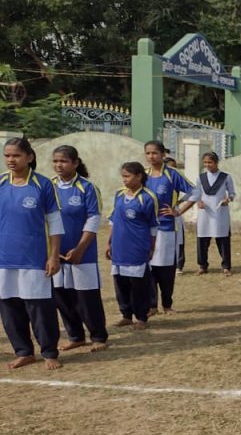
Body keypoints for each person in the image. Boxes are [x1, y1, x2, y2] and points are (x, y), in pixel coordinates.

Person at [1, 137, 64, 370]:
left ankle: (49, 352)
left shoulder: (43, 185)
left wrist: (54, 255)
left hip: (34, 258)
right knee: (9, 307)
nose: (11, 160)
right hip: (4, 259)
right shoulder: (1, 182)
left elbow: (55, 223)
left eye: (16, 155)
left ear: (29, 157)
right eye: (7, 155)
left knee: (39, 308)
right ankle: (24, 352)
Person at [50, 145, 108, 352]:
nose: (59, 165)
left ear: (75, 163)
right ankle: (75, 336)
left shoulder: (87, 187)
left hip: (82, 253)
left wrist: (80, 248)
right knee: (62, 296)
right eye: (55, 161)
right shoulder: (49, 186)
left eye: (63, 161)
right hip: (56, 252)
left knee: (87, 297)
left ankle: (98, 336)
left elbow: (93, 219)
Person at [142, 140, 195, 312]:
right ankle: (151, 305)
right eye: (148, 153)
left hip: (166, 228)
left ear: (163, 154)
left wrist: (178, 210)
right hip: (145, 229)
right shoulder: (142, 175)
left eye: (155, 153)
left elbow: (195, 192)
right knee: (148, 267)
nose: (151, 156)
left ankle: (167, 304)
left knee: (165, 269)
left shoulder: (173, 174)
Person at [107, 161, 158, 330]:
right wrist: (109, 242)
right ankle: (126, 315)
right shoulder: (119, 194)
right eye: (123, 176)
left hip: (137, 246)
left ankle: (141, 317)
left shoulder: (148, 197)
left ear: (139, 176)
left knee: (138, 284)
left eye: (127, 176)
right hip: (119, 246)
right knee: (120, 282)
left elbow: (153, 226)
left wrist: (152, 247)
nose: (124, 179)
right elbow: (113, 220)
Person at [194, 151, 235, 276]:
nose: (207, 165)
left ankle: (226, 266)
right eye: (205, 162)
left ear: (216, 162)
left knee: (222, 239)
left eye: (210, 162)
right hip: (205, 212)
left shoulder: (225, 177)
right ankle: (202, 265)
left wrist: (228, 199)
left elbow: (232, 193)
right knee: (202, 239)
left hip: (220, 212)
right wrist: (199, 202)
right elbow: (197, 193)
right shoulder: (200, 178)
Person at [163, 156, 187, 274]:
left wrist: (180, 201)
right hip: (159, 213)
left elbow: (192, 191)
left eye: (175, 167)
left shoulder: (177, 179)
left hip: (173, 211)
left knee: (179, 239)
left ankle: (179, 265)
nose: (173, 169)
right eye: (170, 167)